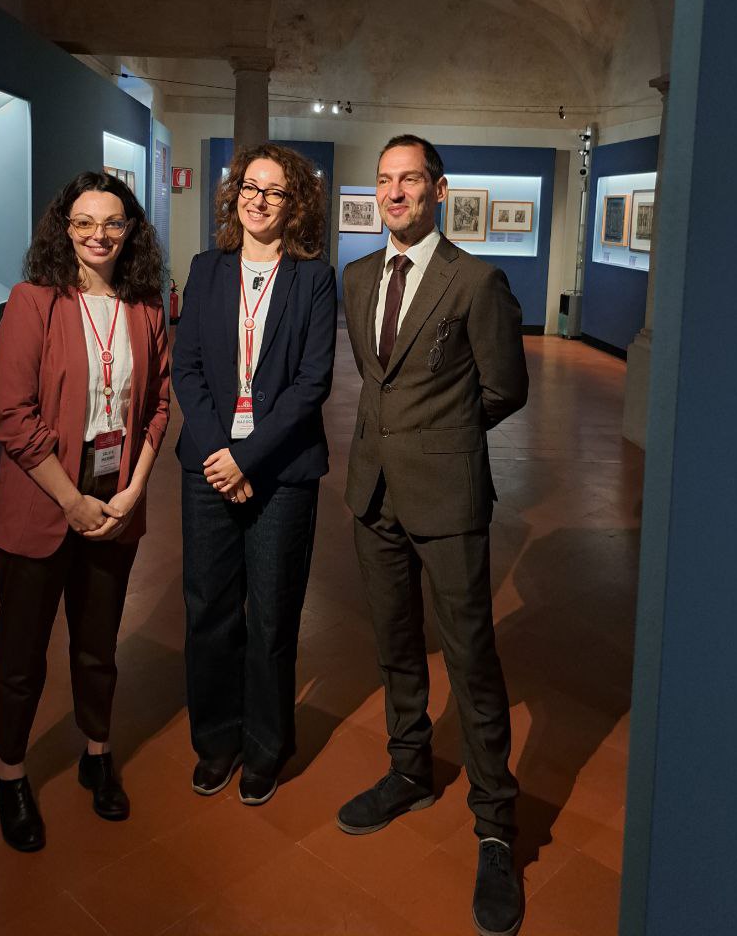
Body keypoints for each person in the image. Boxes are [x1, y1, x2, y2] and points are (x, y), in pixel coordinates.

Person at [337, 136, 528, 936]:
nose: (394, 192)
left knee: (472, 658)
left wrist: (439, 439)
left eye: (409, 179)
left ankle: (496, 825)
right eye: (384, 180)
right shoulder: (356, 277)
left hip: (447, 498)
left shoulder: (475, 281)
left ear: (438, 190)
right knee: (394, 645)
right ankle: (409, 769)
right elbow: (375, 380)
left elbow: (505, 387)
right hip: (372, 492)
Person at [0, 170, 170, 852]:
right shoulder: (32, 301)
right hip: (43, 507)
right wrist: (72, 501)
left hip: (114, 506)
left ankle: (97, 752)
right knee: (21, 658)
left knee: (98, 649)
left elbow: (158, 407)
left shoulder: (146, 307)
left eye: (113, 222)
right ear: (64, 230)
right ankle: (11, 776)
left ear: (130, 231)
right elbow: (13, 416)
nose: (99, 234)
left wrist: (131, 492)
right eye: (84, 222)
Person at [173, 142, 336, 806]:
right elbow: (186, 367)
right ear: (233, 194)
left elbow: (312, 383)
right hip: (209, 466)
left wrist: (247, 457)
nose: (258, 199)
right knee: (208, 611)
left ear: (295, 205)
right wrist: (222, 453)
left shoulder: (313, 278)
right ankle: (217, 741)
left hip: (282, 471)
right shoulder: (206, 269)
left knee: (272, 616)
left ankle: (266, 746)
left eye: (274, 191)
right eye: (249, 186)